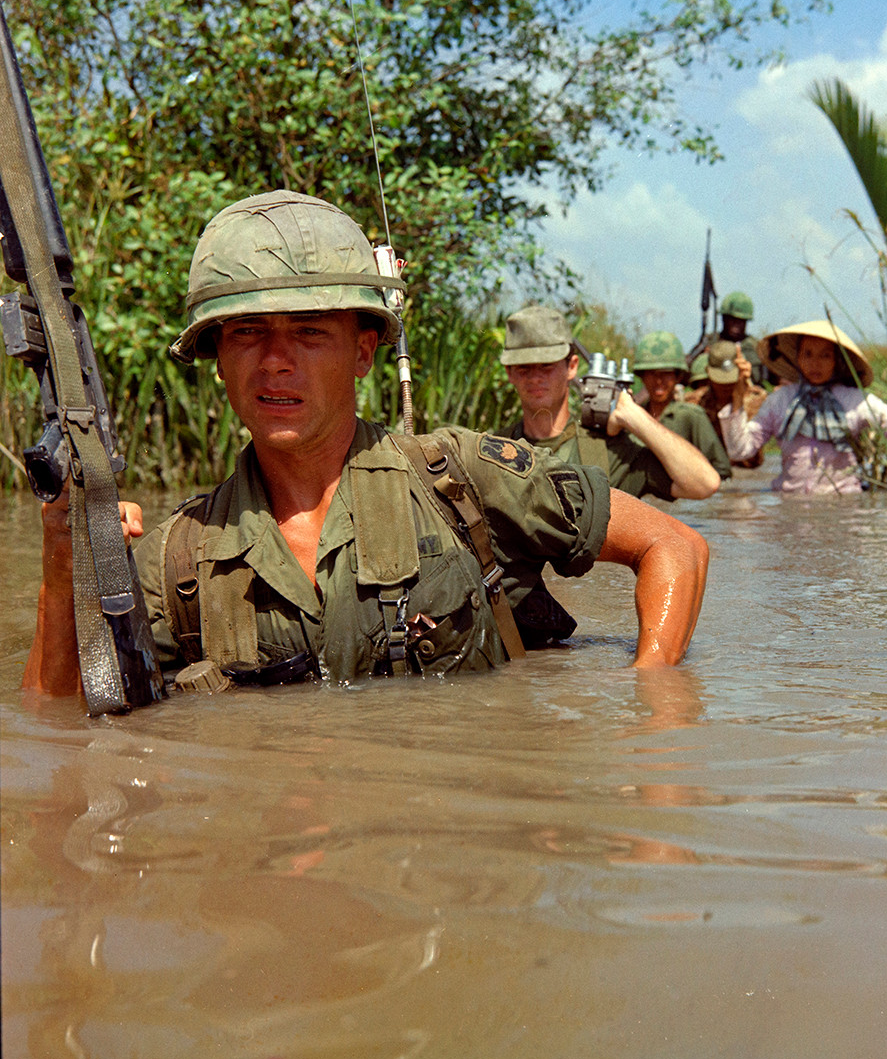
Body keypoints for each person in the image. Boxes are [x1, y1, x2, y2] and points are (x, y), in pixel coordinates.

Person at [22, 191, 709, 701]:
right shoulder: (177, 560)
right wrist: (65, 565)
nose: (276, 361)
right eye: (246, 334)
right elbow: (55, 728)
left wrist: (654, 716)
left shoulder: (458, 479)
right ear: (217, 359)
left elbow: (675, 546)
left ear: (364, 351)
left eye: (311, 332)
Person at [718, 319, 887, 495]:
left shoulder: (854, 401)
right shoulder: (781, 400)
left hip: (842, 503)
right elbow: (740, 449)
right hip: (789, 504)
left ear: (838, 361)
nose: (815, 363)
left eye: (826, 355)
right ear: (797, 358)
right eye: (808, 354)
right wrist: (737, 397)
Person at [499, 306, 721, 503]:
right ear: (509, 372)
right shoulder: (494, 449)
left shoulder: (611, 451)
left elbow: (705, 484)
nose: (535, 377)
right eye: (524, 367)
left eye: (546, 366)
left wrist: (634, 415)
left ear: (572, 367)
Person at [631, 331, 731, 481]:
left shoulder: (691, 416)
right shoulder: (633, 416)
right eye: (652, 373)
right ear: (642, 376)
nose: (658, 381)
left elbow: (721, 470)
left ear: (678, 376)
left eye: (666, 374)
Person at [684, 339, 768, 470]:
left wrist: (741, 392)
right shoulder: (692, 404)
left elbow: (748, 459)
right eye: (720, 379)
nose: (725, 385)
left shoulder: (759, 402)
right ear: (708, 372)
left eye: (730, 378)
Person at [687, 291, 767, 386]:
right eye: (732, 319)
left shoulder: (755, 346)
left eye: (741, 321)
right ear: (724, 318)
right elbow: (687, 367)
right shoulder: (709, 341)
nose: (736, 326)